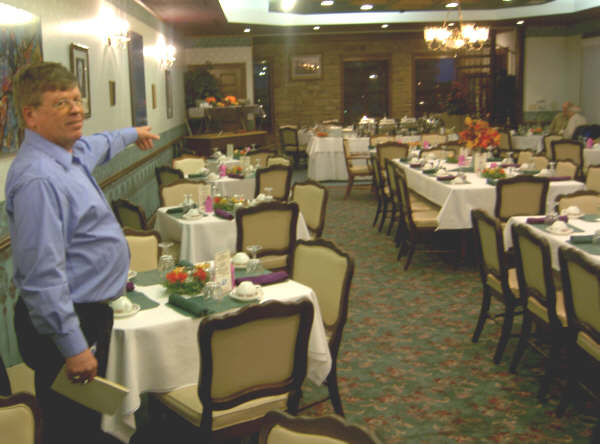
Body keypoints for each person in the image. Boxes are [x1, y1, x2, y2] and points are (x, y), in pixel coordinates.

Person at [5, 62, 159, 444]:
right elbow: (42, 276)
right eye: (61, 103)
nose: (76, 109)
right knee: (70, 428)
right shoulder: (39, 179)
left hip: (89, 311)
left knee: (87, 420)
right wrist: (73, 347)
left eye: (77, 99)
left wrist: (132, 133)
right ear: (31, 115)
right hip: (68, 318)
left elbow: (99, 143)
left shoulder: (69, 154)